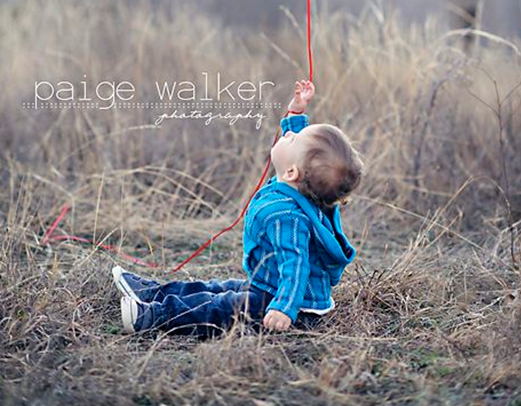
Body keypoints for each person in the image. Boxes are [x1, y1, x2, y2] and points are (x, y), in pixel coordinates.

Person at [113, 79, 365, 338]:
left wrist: (283, 309)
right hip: (269, 286)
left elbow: (296, 266)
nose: (288, 134)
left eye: (293, 138)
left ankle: (154, 315)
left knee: (222, 307)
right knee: (217, 288)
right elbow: (305, 150)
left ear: (292, 172)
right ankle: (153, 293)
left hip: (293, 308)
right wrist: (297, 112)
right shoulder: (298, 184)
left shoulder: (287, 217)